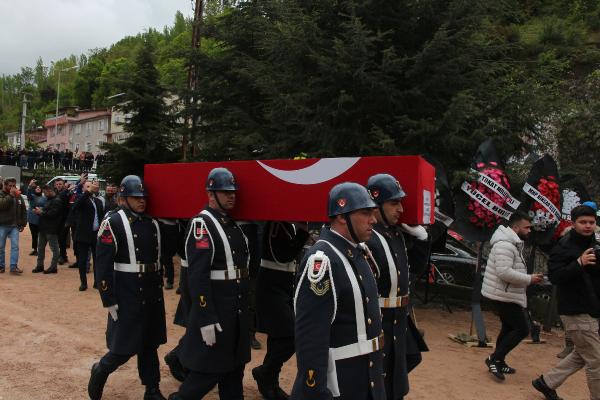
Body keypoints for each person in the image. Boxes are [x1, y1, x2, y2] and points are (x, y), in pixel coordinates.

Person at [291, 182, 385, 400]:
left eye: (373, 213)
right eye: (365, 213)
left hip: (364, 375)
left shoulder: (354, 251)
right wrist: (314, 388)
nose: (373, 220)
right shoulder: (323, 260)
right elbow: (311, 336)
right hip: (342, 382)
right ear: (342, 216)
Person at [168, 167, 251, 400]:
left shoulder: (232, 225)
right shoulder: (202, 225)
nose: (232, 195)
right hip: (218, 312)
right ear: (210, 194)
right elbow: (197, 276)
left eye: (233, 191)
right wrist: (205, 318)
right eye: (225, 192)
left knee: (234, 372)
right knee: (207, 374)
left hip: (236, 311)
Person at [88, 175, 167, 400]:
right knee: (124, 346)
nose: (142, 201)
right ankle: (101, 369)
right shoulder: (113, 221)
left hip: (152, 290)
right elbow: (102, 263)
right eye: (136, 197)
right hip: (128, 290)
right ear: (124, 198)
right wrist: (108, 298)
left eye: (144, 197)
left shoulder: (152, 223)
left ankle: (152, 388)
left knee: (150, 344)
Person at [365, 173, 430, 400]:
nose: (400, 209)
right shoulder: (368, 238)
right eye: (394, 203)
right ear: (375, 205)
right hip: (379, 320)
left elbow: (410, 274)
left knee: (400, 373)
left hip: (398, 319)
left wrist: (422, 242)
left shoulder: (395, 234)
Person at [532, 205, 600, 400]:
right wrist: (578, 263)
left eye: (591, 222)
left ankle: (546, 382)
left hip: (592, 307)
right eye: (583, 222)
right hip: (575, 310)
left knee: (582, 354)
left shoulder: (594, 244)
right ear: (573, 223)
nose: (588, 226)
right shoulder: (564, 246)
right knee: (596, 360)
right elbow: (555, 277)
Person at [481, 211, 543, 380]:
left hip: (505, 293)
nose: (530, 230)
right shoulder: (505, 245)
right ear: (516, 227)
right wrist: (529, 279)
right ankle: (493, 359)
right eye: (527, 227)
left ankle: (499, 360)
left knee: (509, 328)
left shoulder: (512, 243)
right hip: (503, 294)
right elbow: (504, 272)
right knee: (522, 329)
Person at [253, 221, 309, 400]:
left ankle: (270, 381)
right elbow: (282, 256)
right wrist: (302, 234)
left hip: (284, 285)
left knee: (278, 336)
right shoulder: (275, 224)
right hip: (271, 287)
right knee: (290, 335)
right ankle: (266, 372)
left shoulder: (287, 224)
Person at [164, 219, 191, 383]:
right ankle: (178, 356)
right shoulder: (194, 222)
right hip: (195, 271)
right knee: (201, 323)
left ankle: (184, 359)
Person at [71, 177, 104, 291]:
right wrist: (87, 192)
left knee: (97, 260)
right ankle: (83, 283)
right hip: (83, 235)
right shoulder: (81, 199)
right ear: (84, 188)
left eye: (92, 186)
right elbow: (75, 207)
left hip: (96, 235)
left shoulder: (98, 201)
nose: (91, 188)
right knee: (82, 260)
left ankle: (96, 282)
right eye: (88, 186)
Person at [31, 185, 62, 274]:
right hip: (43, 228)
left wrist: (41, 212)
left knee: (54, 249)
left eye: (45, 192)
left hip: (51, 229)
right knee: (40, 248)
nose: (44, 194)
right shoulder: (50, 200)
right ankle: (40, 265)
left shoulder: (57, 201)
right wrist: (40, 211)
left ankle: (53, 267)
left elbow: (53, 214)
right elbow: (48, 211)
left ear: (50, 191)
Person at [0, 177, 27, 274]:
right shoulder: (1, 194)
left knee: (15, 246)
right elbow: (2, 205)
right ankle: (1, 266)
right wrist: (10, 195)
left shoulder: (18, 196)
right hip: (2, 224)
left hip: (15, 225)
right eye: (10, 185)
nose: (12, 187)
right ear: (5, 185)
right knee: (1, 247)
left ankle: (13, 267)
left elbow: (23, 210)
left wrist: (23, 223)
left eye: (13, 185)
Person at [26, 179, 46, 256]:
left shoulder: (44, 198)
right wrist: (30, 185)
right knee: (34, 235)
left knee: (40, 236)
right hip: (32, 219)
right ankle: (35, 249)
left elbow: (47, 206)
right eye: (36, 187)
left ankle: (40, 249)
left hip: (40, 219)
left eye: (39, 188)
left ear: (41, 190)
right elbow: (28, 194)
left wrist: (42, 209)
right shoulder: (32, 196)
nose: (38, 188)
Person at [54, 178, 71, 265]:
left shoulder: (66, 193)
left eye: (60, 184)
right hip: (57, 220)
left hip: (65, 219)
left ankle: (62, 256)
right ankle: (63, 256)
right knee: (60, 238)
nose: (58, 186)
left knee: (62, 238)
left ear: (63, 184)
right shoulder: (55, 193)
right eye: (57, 184)